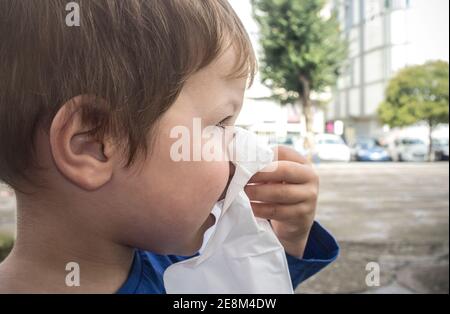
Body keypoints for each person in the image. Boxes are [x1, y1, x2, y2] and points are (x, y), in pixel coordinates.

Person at [0, 0, 338, 293]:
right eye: (220, 124)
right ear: (95, 143)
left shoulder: (184, 265)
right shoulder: (175, 276)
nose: (238, 155)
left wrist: (285, 242)